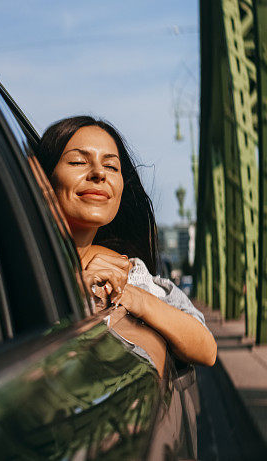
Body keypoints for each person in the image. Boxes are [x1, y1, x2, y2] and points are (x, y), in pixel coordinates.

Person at [36, 116, 216, 370]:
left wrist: (132, 297)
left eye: (111, 167)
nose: (99, 173)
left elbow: (207, 350)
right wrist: (73, 295)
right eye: (78, 161)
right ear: (44, 183)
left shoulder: (128, 273)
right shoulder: (12, 269)